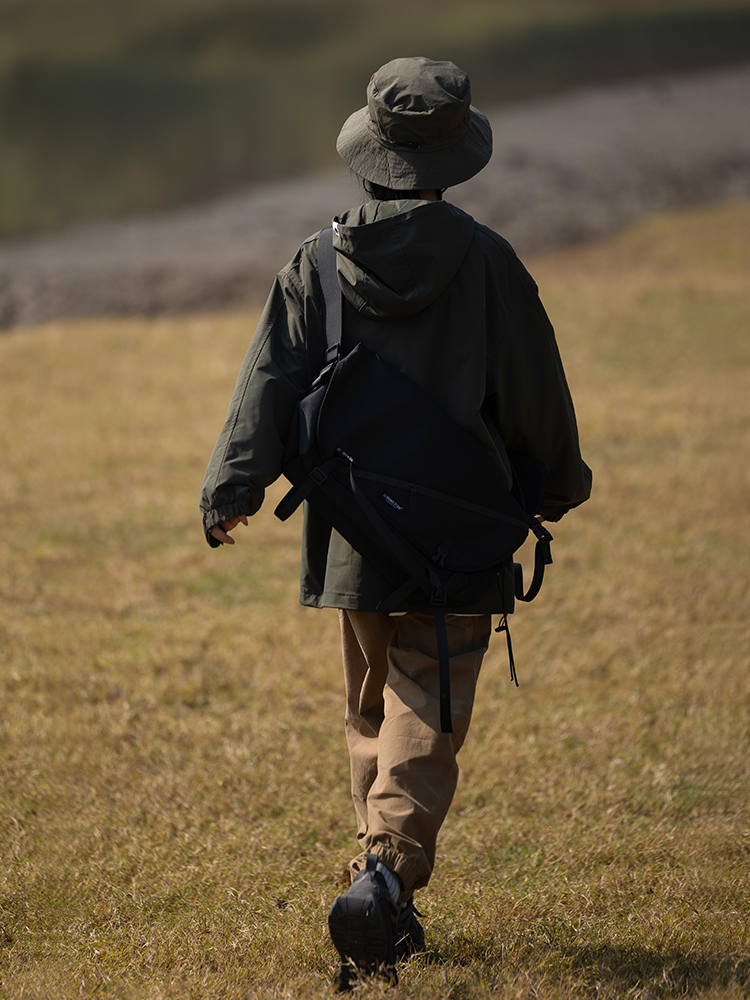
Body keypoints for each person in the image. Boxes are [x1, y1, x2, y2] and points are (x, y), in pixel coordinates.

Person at [199, 56, 592, 989]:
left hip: (354, 534)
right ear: (451, 161)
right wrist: (557, 486)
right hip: (460, 533)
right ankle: (384, 876)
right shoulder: (489, 261)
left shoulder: (315, 261)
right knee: (427, 698)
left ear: (369, 155)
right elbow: (535, 389)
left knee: (373, 704)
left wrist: (232, 490)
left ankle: (376, 887)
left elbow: (269, 382)